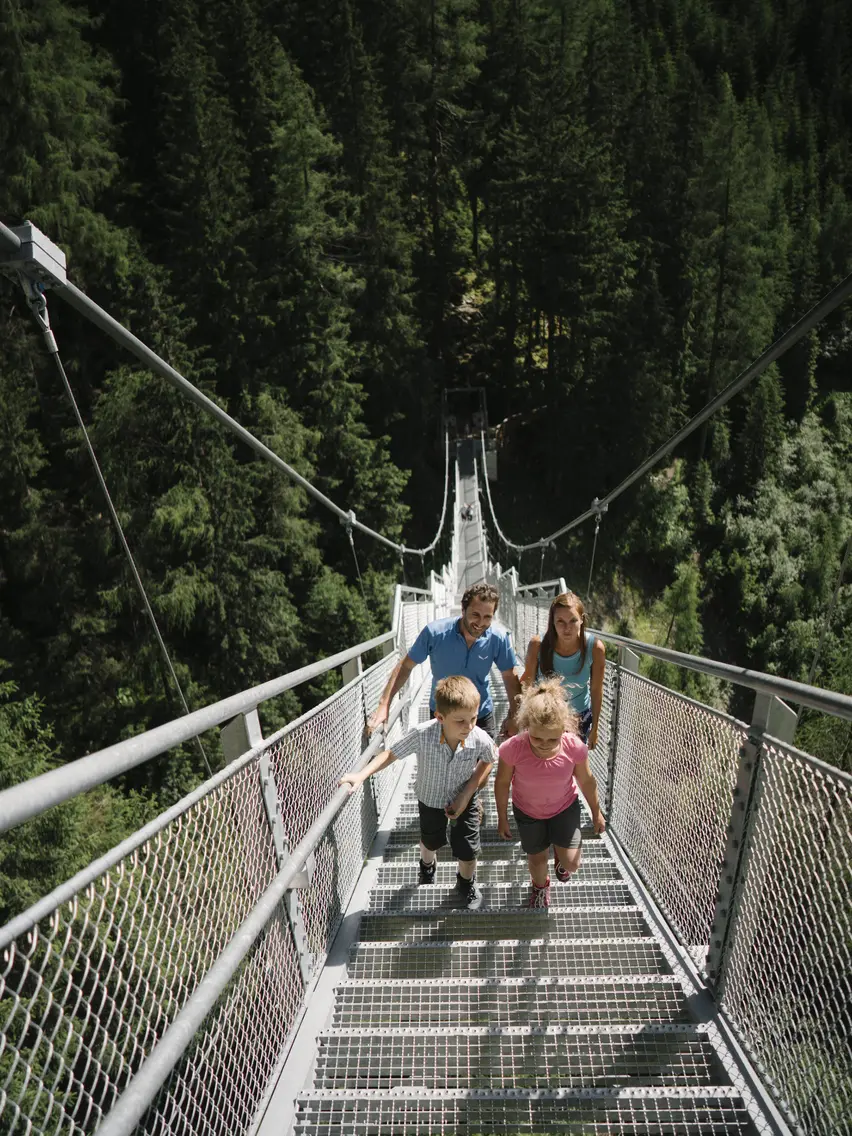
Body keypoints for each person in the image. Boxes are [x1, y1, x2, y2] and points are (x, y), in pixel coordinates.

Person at [341, 675, 495, 909]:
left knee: (468, 848)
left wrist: (467, 793)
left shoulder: (478, 738)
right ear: (440, 717)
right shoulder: (422, 734)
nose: (469, 726)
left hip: (464, 799)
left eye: (473, 718)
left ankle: (466, 883)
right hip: (430, 798)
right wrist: (361, 775)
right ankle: (427, 865)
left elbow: (489, 759)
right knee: (431, 841)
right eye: (460, 721)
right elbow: (391, 754)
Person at [494, 678, 605, 909]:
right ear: (526, 727)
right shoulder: (513, 748)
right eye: (537, 738)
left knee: (572, 864)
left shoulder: (573, 747)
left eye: (553, 739)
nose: (544, 744)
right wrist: (502, 817)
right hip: (528, 811)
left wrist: (596, 812)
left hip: (564, 808)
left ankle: (561, 858)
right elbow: (502, 783)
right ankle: (540, 886)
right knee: (537, 861)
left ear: (564, 729)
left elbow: (586, 781)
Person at [368, 582, 521, 740]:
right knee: (439, 757)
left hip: (479, 716)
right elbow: (406, 666)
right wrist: (384, 704)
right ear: (463, 610)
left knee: (486, 756)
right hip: (442, 716)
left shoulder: (498, 638)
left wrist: (514, 717)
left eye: (487, 617)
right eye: (475, 614)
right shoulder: (435, 633)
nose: (481, 623)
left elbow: (510, 676)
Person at [521, 591, 605, 748]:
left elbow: (596, 689)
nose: (567, 628)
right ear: (552, 621)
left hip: (578, 717)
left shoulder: (595, 648)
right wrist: (523, 720)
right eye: (560, 621)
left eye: (573, 620)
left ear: (582, 620)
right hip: (544, 716)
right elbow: (528, 685)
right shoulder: (537, 645)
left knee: (572, 760)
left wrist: (595, 727)